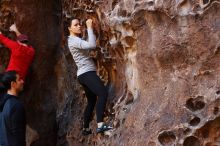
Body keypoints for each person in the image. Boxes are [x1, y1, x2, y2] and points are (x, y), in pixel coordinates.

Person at [67, 18, 112, 135]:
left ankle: (85, 128)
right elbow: (91, 45)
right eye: (75, 25)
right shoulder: (73, 41)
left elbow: (86, 45)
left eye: (79, 24)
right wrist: (90, 27)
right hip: (87, 73)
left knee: (91, 100)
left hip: (83, 74)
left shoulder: (75, 40)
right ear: (69, 28)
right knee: (102, 93)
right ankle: (101, 125)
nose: (79, 26)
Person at [0, 71, 26, 146]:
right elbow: (18, 137)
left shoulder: (3, 104)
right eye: (19, 79)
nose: (22, 81)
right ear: (13, 84)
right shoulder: (16, 105)